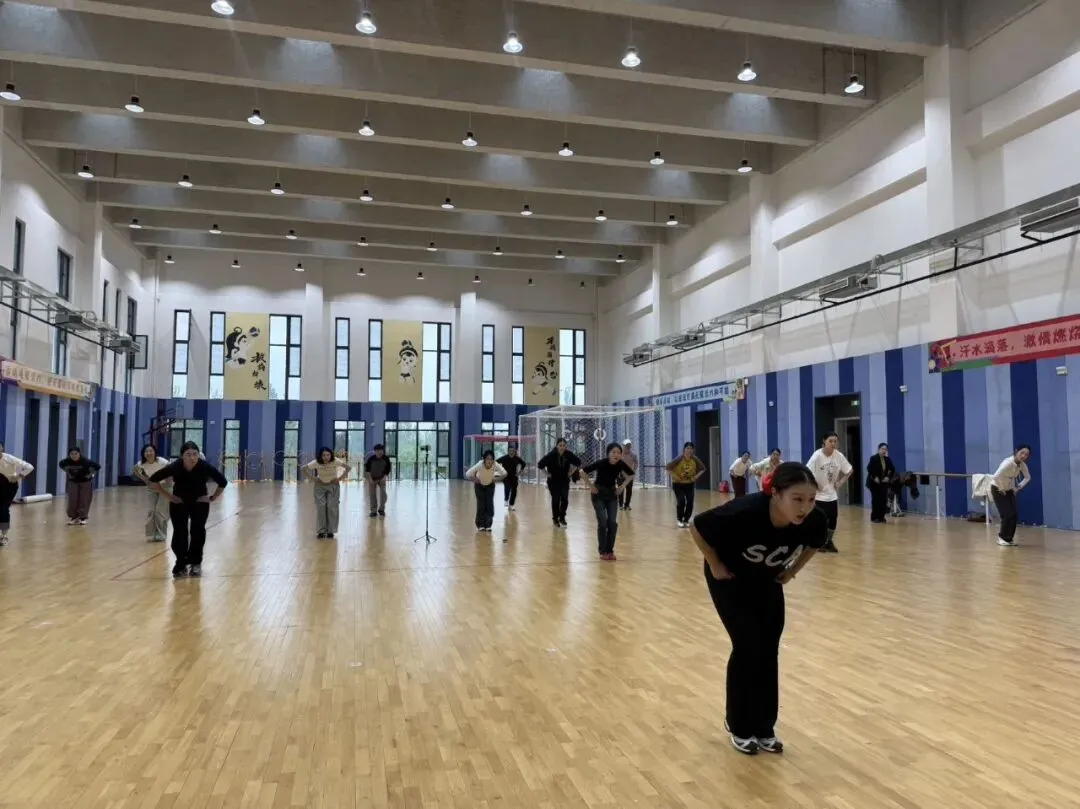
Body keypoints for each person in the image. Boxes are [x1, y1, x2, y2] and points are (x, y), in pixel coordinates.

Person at [690, 462, 825, 755]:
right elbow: (697, 526)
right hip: (730, 580)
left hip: (766, 581)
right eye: (797, 499)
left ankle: (764, 726)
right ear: (775, 493)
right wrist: (715, 564)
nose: (805, 507)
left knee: (768, 647)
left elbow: (816, 543)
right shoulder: (746, 511)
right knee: (747, 645)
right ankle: (739, 725)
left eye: (811, 499)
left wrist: (792, 571)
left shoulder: (813, 519)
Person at [148, 441, 229, 578]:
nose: (192, 457)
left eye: (195, 454)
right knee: (180, 532)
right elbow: (153, 480)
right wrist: (169, 496)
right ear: (182, 456)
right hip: (179, 502)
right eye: (188, 454)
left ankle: (196, 562)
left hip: (199, 502)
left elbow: (223, 482)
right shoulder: (175, 467)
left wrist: (212, 498)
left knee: (198, 531)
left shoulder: (204, 466)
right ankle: (181, 562)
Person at [581, 443, 635, 560]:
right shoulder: (602, 463)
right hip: (598, 494)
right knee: (603, 523)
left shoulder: (620, 464)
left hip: (611, 494)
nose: (616, 455)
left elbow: (631, 475)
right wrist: (590, 486)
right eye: (613, 452)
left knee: (612, 523)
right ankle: (602, 551)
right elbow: (582, 472)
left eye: (619, 453)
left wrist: (622, 486)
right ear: (608, 453)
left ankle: (610, 550)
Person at [806, 432, 852, 553]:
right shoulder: (817, 455)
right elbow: (807, 471)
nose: (833, 443)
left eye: (835, 441)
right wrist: (814, 485)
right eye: (830, 441)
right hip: (819, 496)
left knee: (833, 520)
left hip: (832, 495)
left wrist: (840, 482)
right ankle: (819, 542)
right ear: (824, 441)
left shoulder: (839, 456)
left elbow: (849, 470)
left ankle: (829, 542)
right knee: (820, 520)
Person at [991, 445, 1032, 547]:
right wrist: (1001, 488)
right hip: (998, 488)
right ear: (1016, 451)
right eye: (1022, 453)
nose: (1023, 456)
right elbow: (995, 477)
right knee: (1007, 514)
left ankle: (1008, 539)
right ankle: (1002, 538)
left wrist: (1018, 487)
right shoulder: (1008, 463)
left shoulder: (1022, 465)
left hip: (1009, 489)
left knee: (1014, 514)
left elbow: (1027, 477)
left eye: (1026, 455)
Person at [305, 447, 349, 539]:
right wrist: (313, 479)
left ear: (331, 455)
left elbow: (348, 468)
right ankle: (321, 531)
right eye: (324, 455)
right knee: (321, 507)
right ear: (320, 456)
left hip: (333, 486)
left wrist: (339, 479)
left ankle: (330, 531)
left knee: (331, 507)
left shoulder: (335, 461)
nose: (326, 457)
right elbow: (303, 469)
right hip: (320, 486)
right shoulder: (316, 462)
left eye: (328, 455)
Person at [536, 438, 582, 528]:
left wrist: (571, 472)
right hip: (553, 481)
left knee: (565, 499)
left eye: (564, 446)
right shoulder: (551, 455)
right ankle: (555, 519)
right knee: (556, 500)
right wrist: (547, 474)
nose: (562, 447)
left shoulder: (568, 454)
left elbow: (578, 462)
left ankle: (562, 517)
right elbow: (540, 465)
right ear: (557, 446)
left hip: (564, 480)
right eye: (560, 445)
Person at [132, 444, 171, 542]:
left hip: (165, 489)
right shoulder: (141, 464)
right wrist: (146, 480)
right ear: (143, 453)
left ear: (155, 452)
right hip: (152, 489)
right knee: (152, 511)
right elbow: (135, 471)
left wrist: (166, 484)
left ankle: (161, 534)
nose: (149, 453)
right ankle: (151, 534)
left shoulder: (162, 462)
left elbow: (171, 472)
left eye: (151, 451)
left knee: (160, 511)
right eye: (146, 451)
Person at [0, 441, 34, 547]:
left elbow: (29, 467)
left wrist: (18, 475)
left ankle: (4, 536)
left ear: (2, 448)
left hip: (9, 485)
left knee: (3, 510)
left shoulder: (9, 458)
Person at [666, 442, 707, 528]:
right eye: (687, 448)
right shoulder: (679, 459)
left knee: (690, 502)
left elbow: (703, 469)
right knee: (681, 501)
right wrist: (675, 477)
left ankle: (686, 520)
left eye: (691, 449)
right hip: (678, 484)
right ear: (684, 450)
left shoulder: (695, 459)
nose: (689, 450)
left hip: (689, 484)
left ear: (693, 450)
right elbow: (668, 468)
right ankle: (679, 519)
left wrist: (695, 477)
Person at [465, 450, 506, 532]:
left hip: (490, 485)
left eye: (491, 459)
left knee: (489, 505)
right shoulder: (480, 464)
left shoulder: (495, 464)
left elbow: (504, 473)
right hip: (479, 486)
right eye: (487, 459)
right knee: (481, 505)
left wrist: (497, 479)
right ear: (484, 459)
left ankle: (488, 525)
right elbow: (468, 474)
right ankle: (480, 525)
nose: (489, 461)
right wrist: (475, 479)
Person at [58, 447, 100, 525]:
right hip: (73, 481)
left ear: (79, 454)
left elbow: (97, 466)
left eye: (76, 454)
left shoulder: (85, 461)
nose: (74, 456)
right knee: (72, 499)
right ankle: (74, 517)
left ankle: (82, 517)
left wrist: (90, 475)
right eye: (72, 454)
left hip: (85, 482)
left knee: (84, 499)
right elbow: (61, 464)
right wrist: (68, 472)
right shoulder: (66, 461)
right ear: (69, 455)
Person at [866, 443, 896, 524]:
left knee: (883, 499)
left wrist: (888, 477)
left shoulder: (887, 459)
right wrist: (875, 477)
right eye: (882, 449)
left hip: (883, 482)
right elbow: (869, 468)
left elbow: (892, 469)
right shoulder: (874, 458)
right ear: (878, 449)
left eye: (885, 449)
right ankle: (874, 517)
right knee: (876, 500)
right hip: (874, 482)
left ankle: (881, 517)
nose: (884, 451)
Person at [496, 445, 527, 511]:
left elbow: (524, 464)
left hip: (514, 477)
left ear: (514, 451)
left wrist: (519, 473)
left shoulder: (517, 458)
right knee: (507, 487)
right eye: (510, 451)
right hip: (506, 476)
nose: (511, 452)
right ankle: (506, 499)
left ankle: (511, 505)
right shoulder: (504, 458)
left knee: (514, 491)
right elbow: (496, 462)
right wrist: (500, 471)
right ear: (508, 451)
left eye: (513, 451)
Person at [364, 444, 391, 518]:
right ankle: (373, 511)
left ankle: (381, 509)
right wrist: (370, 480)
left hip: (381, 478)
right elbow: (367, 470)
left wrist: (384, 477)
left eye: (381, 450)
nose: (380, 452)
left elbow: (388, 469)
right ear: (375, 451)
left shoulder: (386, 459)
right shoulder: (371, 459)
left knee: (383, 494)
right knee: (372, 495)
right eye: (378, 451)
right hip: (372, 478)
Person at [618, 439, 639, 510]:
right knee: (621, 489)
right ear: (623, 446)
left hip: (629, 474)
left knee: (629, 490)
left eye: (629, 445)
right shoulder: (619, 454)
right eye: (626, 445)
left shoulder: (633, 455)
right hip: (620, 474)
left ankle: (627, 505)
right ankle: (620, 505)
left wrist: (634, 470)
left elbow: (636, 463)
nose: (628, 447)